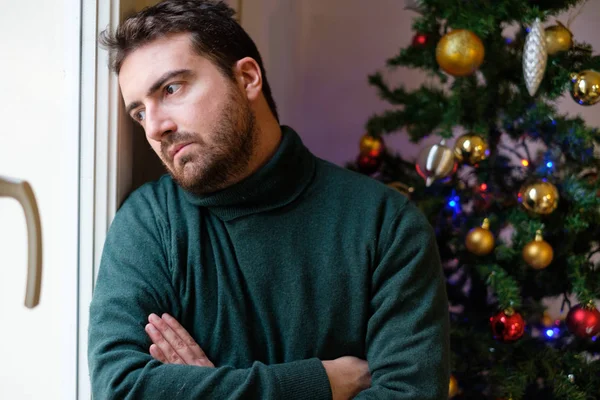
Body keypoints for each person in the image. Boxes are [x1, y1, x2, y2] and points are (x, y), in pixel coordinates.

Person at [87, 0, 450, 398]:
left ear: (246, 78)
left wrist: (208, 388)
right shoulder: (150, 223)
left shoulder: (387, 226)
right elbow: (121, 389)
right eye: (139, 113)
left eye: (171, 89)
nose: (155, 127)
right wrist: (317, 384)